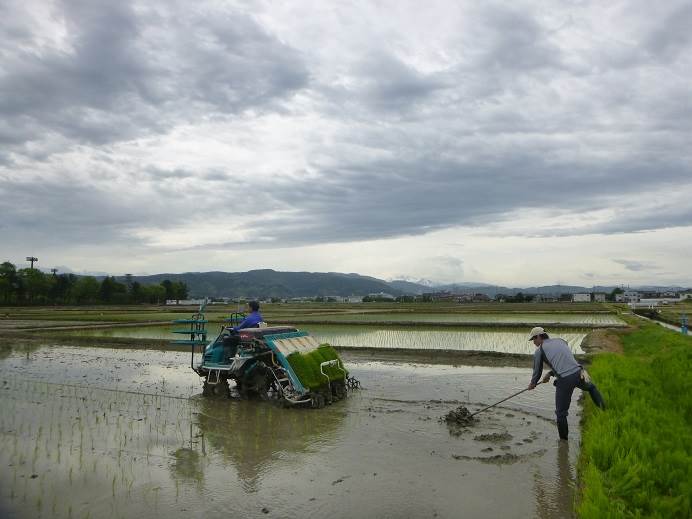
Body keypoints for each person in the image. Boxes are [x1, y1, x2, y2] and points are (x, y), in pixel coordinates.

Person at [527, 326, 605, 440]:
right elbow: (563, 360)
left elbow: (537, 371)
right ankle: (604, 410)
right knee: (592, 387)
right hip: (579, 372)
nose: (533, 342)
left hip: (565, 380)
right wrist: (550, 374)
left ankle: (563, 442)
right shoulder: (561, 341)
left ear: (539, 336)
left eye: (534, 339)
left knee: (561, 413)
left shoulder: (539, 351)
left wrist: (533, 383)